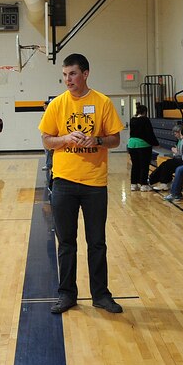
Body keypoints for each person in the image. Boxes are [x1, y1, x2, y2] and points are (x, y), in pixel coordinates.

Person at [39, 53, 125, 315]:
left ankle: (100, 295)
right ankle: (67, 294)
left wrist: (97, 140)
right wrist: (65, 138)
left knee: (97, 242)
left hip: (94, 183)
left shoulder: (102, 102)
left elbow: (115, 140)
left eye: (73, 74)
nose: (68, 79)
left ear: (85, 74)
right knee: (66, 242)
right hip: (64, 182)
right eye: (65, 75)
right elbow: (46, 140)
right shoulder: (57, 105)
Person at [149, 125, 183, 191]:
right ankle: (157, 180)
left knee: (167, 165)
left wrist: (175, 151)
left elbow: (179, 154)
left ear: (182, 134)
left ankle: (161, 182)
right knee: (166, 163)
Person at [127, 103, 159, 192]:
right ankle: (143, 185)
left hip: (131, 144)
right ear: (145, 112)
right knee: (144, 165)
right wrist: (155, 143)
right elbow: (149, 133)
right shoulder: (145, 120)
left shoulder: (132, 119)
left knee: (135, 165)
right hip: (143, 145)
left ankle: (133, 184)